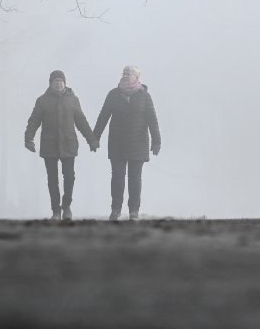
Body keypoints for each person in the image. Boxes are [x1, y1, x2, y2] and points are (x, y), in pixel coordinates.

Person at [24, 70, 97, 220]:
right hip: (49, 145)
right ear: (50, 83)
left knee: (69, 177)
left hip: (69, 144)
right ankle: (56, 211)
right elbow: (34, 121)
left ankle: (67, 206)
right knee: (52, 180)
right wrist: (28, 139)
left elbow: (81, 121)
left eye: (61, 81)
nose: (59, 83)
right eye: (56, 81)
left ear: (65, 83)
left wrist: (92, 139)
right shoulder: (42, 101)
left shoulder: (73, 100)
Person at [93, 65, 161, 220]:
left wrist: (157, 141)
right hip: (117, 143)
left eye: (128, 73)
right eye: (124, 73)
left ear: (136, 77)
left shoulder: (144, 96)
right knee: (117, 177)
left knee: (134, 178)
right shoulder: (113, 94)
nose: (125, 75)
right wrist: (94, 137)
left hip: (138, 143)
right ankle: (115, 209)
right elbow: (103, 116)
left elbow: (152, 119)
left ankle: (133, 211)